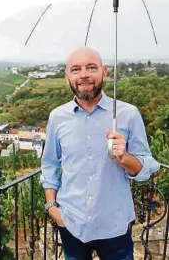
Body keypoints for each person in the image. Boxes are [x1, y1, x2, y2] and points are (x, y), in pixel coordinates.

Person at [40, 47, 160, 260]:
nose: (84, 74)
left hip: (114, 225)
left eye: (91, 67)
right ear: (67, 76)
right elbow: (49, 164)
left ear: (104, 72)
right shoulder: (57, 117)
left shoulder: (128, 114)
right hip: (71, 222)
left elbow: (145, 168)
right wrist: (52, 207)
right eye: (76, 69)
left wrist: (125, 158)